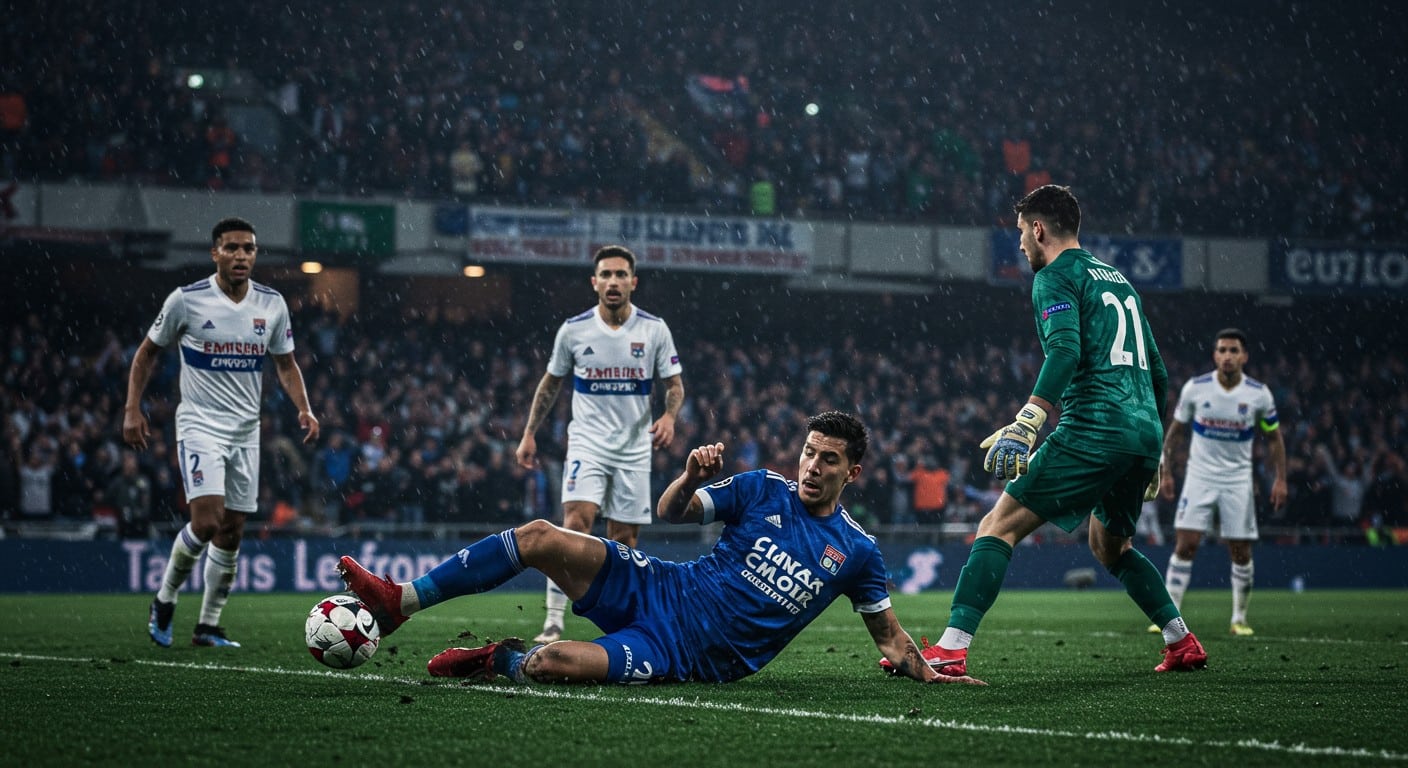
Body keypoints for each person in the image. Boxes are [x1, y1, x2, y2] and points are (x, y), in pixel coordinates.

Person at [338, 411, 983, 687]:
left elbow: (894, 643)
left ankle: (495, 660)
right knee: (538, 535)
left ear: (854, 472)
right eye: (809, 452)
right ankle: (401, 601)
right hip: (660, 586)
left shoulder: (859, 552)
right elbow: (672, 512)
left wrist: (934, 673)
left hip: (681, 654)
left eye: (829, 459)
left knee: (551, 664)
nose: (812, 466)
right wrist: (690, 477)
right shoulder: (761, 488)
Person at [882, 185, 1207, 678]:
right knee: (1110, 547)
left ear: (1038, 229)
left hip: (1095, 425)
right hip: (1141, 432)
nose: (1018, 245)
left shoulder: (1054, 277)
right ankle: (1181, 641)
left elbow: (1066, 352)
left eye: (1020, 233)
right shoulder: (1118, 279)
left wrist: (1029, 418)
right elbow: (1158, 371)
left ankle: (950, 648)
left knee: (998, 526)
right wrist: (1155, 447)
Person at [124, 216, 319, 648]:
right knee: (207, 520)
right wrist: (132, 408)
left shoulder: (271, 304)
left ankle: (208, 625)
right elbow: (146, 353)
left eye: (248, 248)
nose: (241, 256)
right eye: (231, 248)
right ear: (215, 253)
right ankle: (165, 597)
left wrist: (304, 408)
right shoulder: (187, 301)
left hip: (246, 431)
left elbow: (285, 364)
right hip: (200, 425)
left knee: (232, 530)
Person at [515, 245, 685, 644]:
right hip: (587, 444)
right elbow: (551, 382)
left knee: (624, 539)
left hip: (634, 448)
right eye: (605, 275)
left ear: (633, 282)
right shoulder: (574, 330)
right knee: (575, 525)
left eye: (620, 274)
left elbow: (673, 385)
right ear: (594, 282)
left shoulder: (653, 329)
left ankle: (624, 622)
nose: (613, 281)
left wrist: (669, 417)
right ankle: (554, 621)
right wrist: (529, 432)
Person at [1155, 328, 1287, 636]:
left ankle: (1238, 619)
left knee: (1240, 550)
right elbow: (1175, 433)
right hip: (1199, 475)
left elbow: (1274, 438)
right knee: (1185, 545)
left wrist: (1280, 478)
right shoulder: (1196, 389)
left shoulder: (1259, 395)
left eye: (1233, 350)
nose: (1228, 356)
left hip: (1238, 480)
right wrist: (1167, 470)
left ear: (1244, 356)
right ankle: (1168, 618)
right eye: (1222, 350)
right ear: (1215, 355)